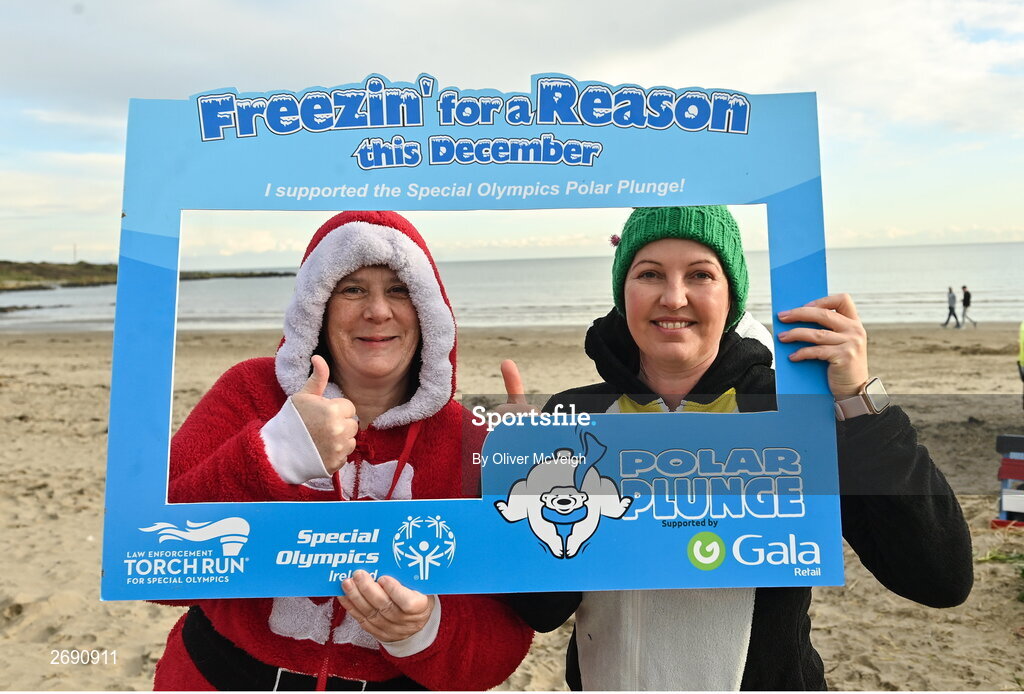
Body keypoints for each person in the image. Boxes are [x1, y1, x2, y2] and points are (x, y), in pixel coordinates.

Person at [502, 206, 973, 691]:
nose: (673, 296)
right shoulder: (573, 417)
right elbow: (543, 607)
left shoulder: (789, 413)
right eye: (649, 273)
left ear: (732, 297)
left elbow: (939, 578)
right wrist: (517, 470)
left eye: (701, 274)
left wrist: (862, 404)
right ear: (624, 293)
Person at [153, 211, 532, 691]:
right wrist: (275, 453)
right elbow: (154, 568)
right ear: (317, 307)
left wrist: (423, 628)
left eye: (399, 290)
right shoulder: (250, 392)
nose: (378, 311)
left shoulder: (469, 440)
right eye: (352, 289)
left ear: (429, 309)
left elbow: (494, 658)